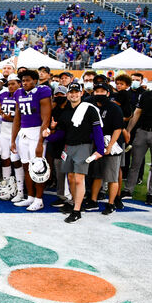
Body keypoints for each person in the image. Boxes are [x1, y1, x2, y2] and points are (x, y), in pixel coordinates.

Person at [43, 83, 105, 223]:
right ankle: (75, 203)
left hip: (83, 146)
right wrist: (49, 135)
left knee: (78, 179)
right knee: (70, 178)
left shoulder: (89, 109)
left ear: (81, 93)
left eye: (76, 92)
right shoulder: (65, 112)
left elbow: (97, 130)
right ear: (67, 94)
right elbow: (62, 133)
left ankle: (76, 210)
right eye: (71, 92)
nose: (74, 94)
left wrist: (100, 150)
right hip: (68, 147)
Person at [123, 70, 152, 205]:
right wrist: (129, 130)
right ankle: (128, 190)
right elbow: (137, 113)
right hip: (142, 131)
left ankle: (151, 193)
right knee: (135, 163)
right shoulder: (147, 95)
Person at [10, 69, 52, 212]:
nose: (25, 83)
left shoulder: (42, 91)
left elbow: (46, 117)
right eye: (23, 81)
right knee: (26, 166)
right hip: (23, 133)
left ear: (35, 80)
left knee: (38, 167)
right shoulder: (18, 93)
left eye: (28, 80)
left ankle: (39, 200)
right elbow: (17, 118)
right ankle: (30, 197)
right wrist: (13, 140)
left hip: (37, 131)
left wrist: (40, 141)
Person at [87, 83, 124, 215]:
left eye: (102, 91)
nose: (99, 94)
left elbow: (118, 128)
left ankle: (111, 203)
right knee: (97, 175)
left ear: (108, 93)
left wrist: (109, 146)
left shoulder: (114, 108)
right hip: (98, 144)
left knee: (112, 176)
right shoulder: (92, 107)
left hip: (112, 145)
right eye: (97, 91)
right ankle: (93, 200)